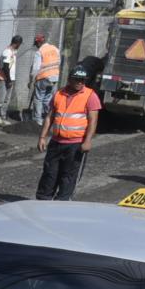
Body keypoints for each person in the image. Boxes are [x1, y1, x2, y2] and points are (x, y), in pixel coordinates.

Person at [36, 65, 101, 201]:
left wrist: (88, 141)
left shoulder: (90, 96)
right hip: (56, 143)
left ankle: (62, 204)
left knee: (68, 177)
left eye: (83, 80)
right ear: (69, 79)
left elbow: (93, 120)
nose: (80, 83)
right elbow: (50, 117)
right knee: (49, 174)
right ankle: (43, 202)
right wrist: (42, 137)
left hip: (75, 145)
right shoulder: (59, 94)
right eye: (77, 79)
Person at [32, 31, 62, 127]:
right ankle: (49, 117)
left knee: (38, 98)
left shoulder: (39, 52)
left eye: (36, 44)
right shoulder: (55, 49)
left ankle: (38, 120)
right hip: (54, 78)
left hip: (43, 77)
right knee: (48, 98)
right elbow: (58, 62)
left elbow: (36, 68)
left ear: (38, 42)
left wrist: (31, 80)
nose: (36, 46)